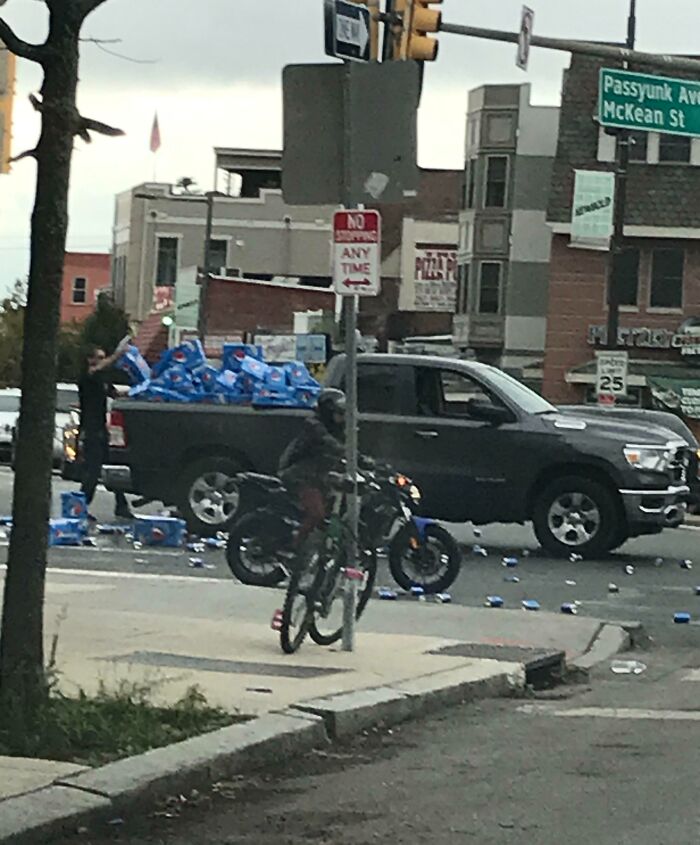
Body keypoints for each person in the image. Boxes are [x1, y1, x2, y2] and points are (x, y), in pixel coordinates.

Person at [278, 388, 347, 543]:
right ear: (329, 412)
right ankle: (295, 545)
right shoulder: (314, 427)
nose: (342, 418)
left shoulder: (336, 430)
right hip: (299, 476)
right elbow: (331, 445)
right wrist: (353, 456)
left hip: (318, 477)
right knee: (316, 514)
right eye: (339, 414)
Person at [78, 341, 132, 520]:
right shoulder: (87, 377)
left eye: (103, 357)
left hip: (102, 429)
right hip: (91, 430)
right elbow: (96, 371)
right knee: (93, 472)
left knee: (112, 469)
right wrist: (116, 355)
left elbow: (114, 393)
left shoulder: (101, 379)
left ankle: (121, 505)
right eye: (99, 358)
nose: (102, 361)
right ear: (90, 360)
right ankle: (80, 507)